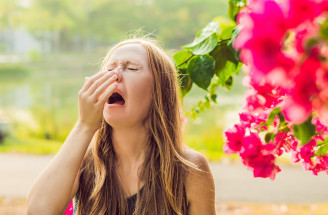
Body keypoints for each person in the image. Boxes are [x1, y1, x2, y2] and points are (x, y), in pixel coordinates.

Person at [27, 37, 216, 215]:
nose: (113, 76)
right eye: (109, 69)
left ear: (160, 92)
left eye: (132, 68)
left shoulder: (189, 169)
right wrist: (84, 126)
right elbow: (38, 211)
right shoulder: (84, 161)